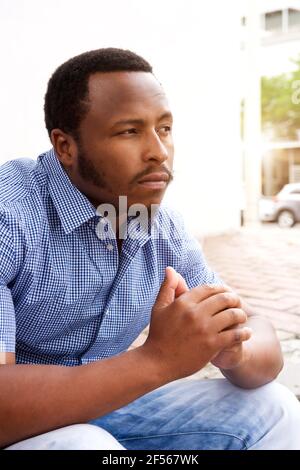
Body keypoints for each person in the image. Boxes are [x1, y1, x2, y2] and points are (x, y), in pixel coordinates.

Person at [1, 48, 300, 451]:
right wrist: (157, 360)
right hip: (20, 424)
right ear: (65, 146)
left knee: (275, 405)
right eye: (129, 131)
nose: (158, 151)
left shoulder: (159, 226)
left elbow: (259, 334)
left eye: (164, 128)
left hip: (107, 410)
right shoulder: (11, 214)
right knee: (83, 445)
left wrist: (235, 349)